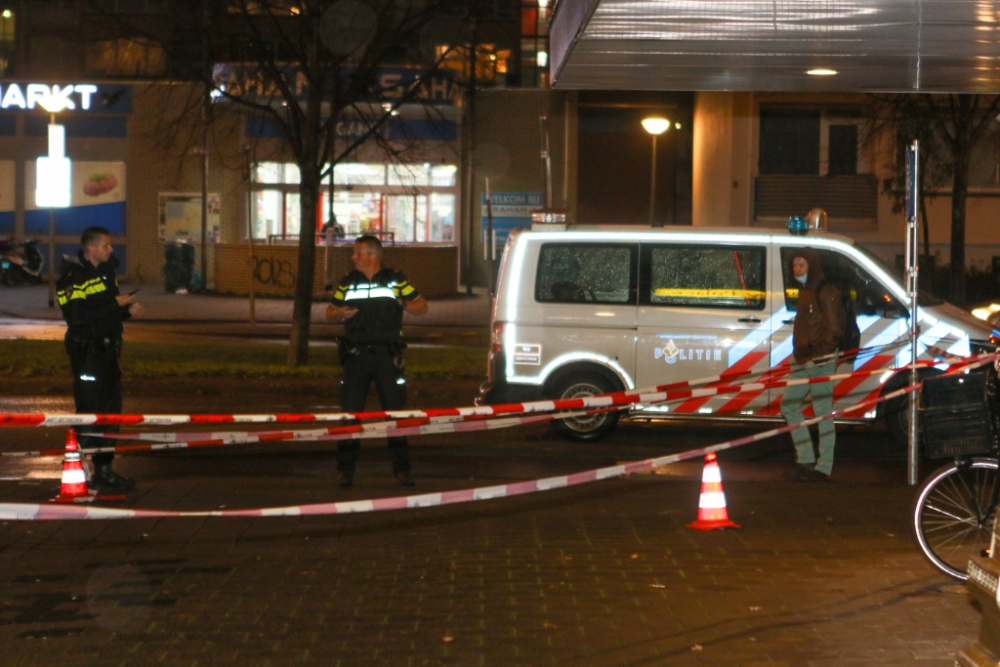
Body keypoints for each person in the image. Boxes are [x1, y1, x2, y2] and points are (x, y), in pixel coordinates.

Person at [325, 235, 429, 487]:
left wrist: (402, 302)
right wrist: (340, 313)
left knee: (394, 413)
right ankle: (345, 470)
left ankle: (402, 469)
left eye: (357, 253)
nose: (353, 257)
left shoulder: (394, 280)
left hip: (386, 355)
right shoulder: (348, 282)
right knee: (350, 414)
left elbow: (422, 306)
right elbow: (329, 312)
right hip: (356, 356)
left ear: (373, 256)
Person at [57, 226, 144, 490]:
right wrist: (114, 304)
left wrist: (126, 311)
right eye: (106, 245)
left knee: (110, 411)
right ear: (91, 248)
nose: (111, 249)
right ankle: (76, 467)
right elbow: (76, 316)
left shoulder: (106, 272)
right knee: (89, 408)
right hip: (87, 352)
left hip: (107, 351)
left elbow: (104, 311)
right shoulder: (72, 277)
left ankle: (104, 470)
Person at [779, 247, 843, 483]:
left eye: (802, 265)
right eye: (795, 265)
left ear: (812, 266)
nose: (797, 269)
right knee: (789, 406)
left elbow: (834, 329)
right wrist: (799, 356)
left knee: (822, 413)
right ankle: (805, 459)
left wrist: (817, 356)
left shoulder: (826, 291)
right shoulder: (805, 290)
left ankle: (824, 467)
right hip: (802, 359)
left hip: (820, 360)